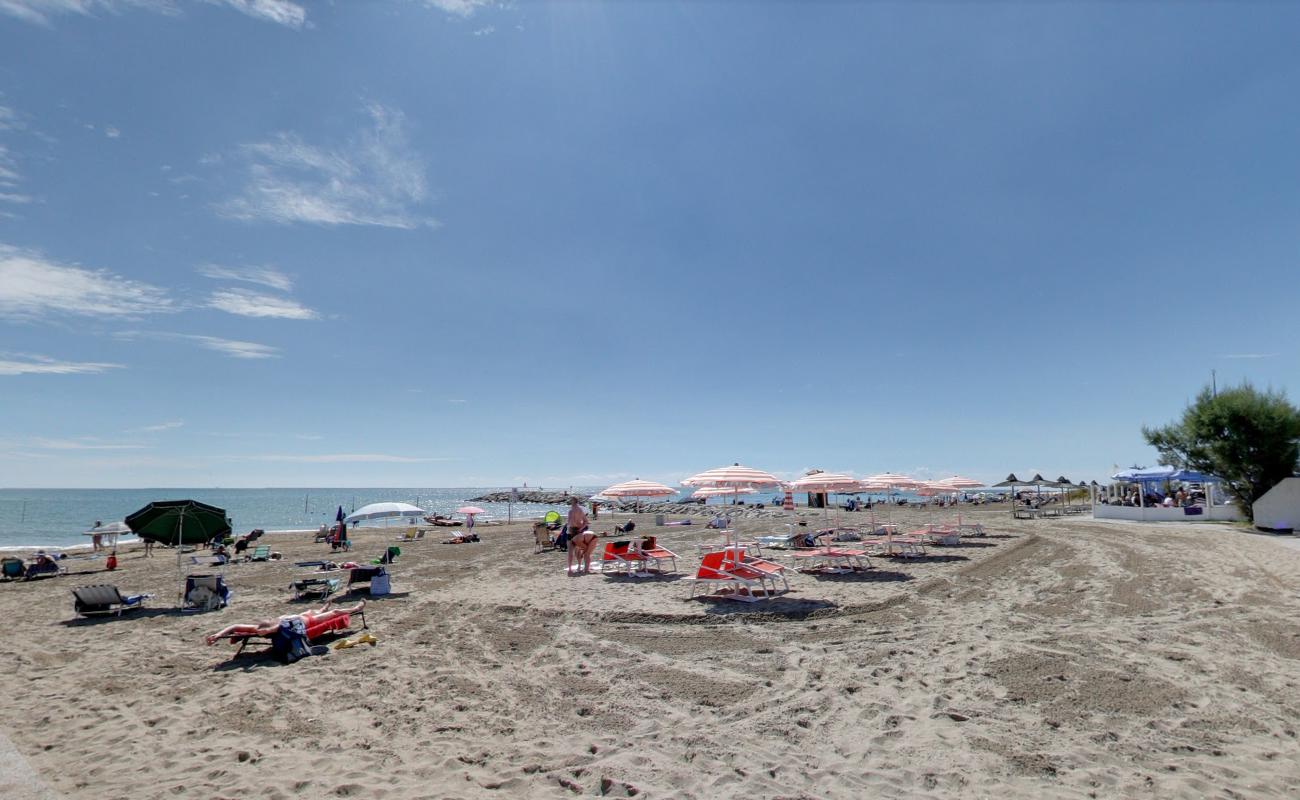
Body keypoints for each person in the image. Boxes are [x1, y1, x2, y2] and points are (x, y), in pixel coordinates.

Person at [205, 599, 366, 646]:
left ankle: (323, 607)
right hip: (307, 622)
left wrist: (218, 635)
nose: (267, 619)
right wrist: (268, 630)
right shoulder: (272, 627)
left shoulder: (269, 624)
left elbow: (234, 625)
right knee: (335, 613)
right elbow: (274, 628)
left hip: (301, 616)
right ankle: (356, 607)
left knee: (313, 611)